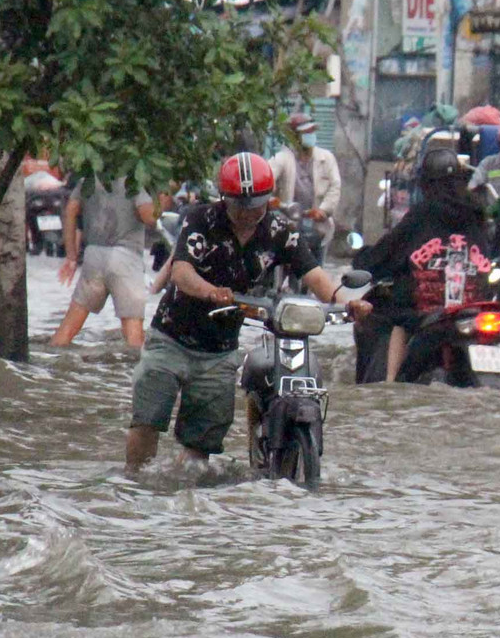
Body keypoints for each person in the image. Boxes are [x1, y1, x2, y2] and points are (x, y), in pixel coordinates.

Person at [126, 151, 371, 471]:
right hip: (171, 337)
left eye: (256, 205)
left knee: (201, 443)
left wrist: (345, 302)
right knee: (147, 421)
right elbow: (181, 273)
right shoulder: (200, 219)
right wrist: (211, 291)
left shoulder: (281, 230)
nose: (248, 214)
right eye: (240, 206)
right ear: (225, 199)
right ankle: (134, 482)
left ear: (268, 200)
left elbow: (313, 275)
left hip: (220, 349)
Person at [351, 147, 493, 384]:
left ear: (425, 184)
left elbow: (386, 255)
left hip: (424, 312)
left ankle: (388, 384)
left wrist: (364, 260)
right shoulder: (476, 215)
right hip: (474, 309)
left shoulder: (422, 216)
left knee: (393, 318)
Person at [51, 176, 157, 348]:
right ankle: (132, 374)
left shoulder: (88, 179)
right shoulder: (134, 179)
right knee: (134, 337)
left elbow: (70, 210)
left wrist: (71, 256)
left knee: (67, 330)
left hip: (93, 256)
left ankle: (48, 364)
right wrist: (163, 198)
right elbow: (149, 217)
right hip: (126, 259)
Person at [269, 112, 341, 253]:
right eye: (306, 132)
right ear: (294, 136)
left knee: (316, 267)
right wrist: (270, 199)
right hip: (287, 223)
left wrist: (324, 210)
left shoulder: (326, 158)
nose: (310, 135)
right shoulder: (281, 158)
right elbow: (267, 177)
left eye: (312, 131)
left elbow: (335, 187)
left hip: (317, 225)